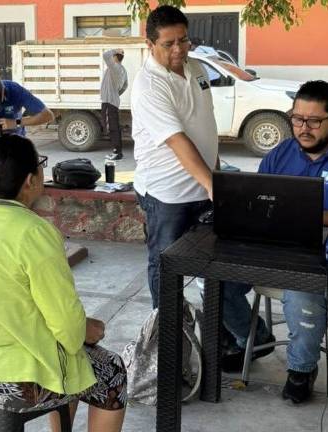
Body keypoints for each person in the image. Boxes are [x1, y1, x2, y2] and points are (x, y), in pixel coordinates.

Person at [0, 134, 127, 432]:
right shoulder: (35, 232)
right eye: (40, 165)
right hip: (9, 380)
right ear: (29, 181)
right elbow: (66, 326)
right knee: (109, 369)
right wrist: (86, 329)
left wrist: (78, 331)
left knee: (72, 356)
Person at [220, 80, 328, 404]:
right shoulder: (281, 153)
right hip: (277, 246)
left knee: (300, 291)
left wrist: (305, 213)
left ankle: (301, 369)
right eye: (297, 118)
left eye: (314, 121)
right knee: (214, 279)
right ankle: (253, 339)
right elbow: (260, 198)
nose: (303, 128)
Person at [130, 5, 219, 309]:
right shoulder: (148, 85)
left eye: (184, 40)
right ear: (150, 45)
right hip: (167, 194)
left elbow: (206, 125)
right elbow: (177, 141)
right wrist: (213, 184)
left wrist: (215, 177)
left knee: (216, 266)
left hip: (205, 186)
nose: (179, 49)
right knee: (166, 267)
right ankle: (167, 337)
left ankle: (221, 333)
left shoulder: (198, 69)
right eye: (169, 44)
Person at [101, 48, 128, 161]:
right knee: (114, 127)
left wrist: (115, 50)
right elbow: (125, 86)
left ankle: (117, 152)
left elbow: (106, 55)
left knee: (112, 128)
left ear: (115, 57)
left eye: (114, 56)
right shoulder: (122, 69)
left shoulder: (115, 67)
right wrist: (116, 93)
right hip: (113, 100)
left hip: (109, 101)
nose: (111, 58)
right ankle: (117, 151)